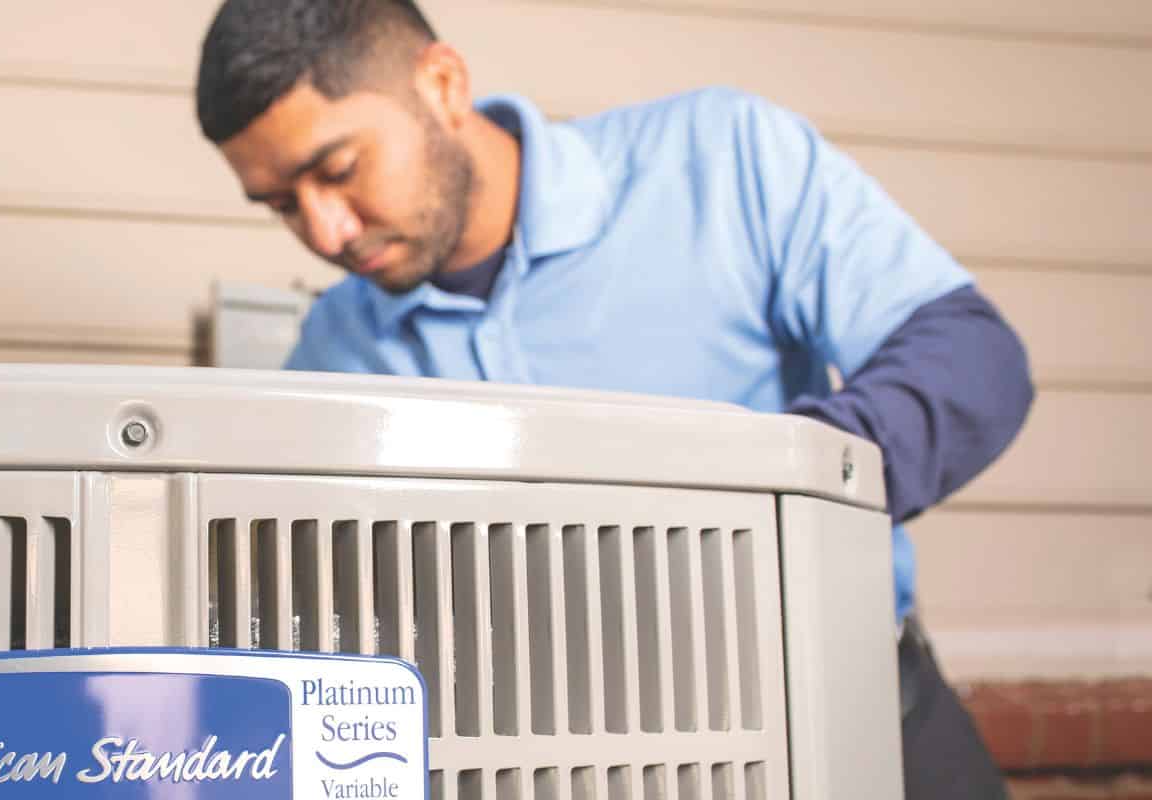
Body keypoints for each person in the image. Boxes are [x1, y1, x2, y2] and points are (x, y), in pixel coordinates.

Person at [192, 1, 1033, 797]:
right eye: (280, 207)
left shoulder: (724, 160)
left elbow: (971, 358)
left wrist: (775, 492)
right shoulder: (331, 353)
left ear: (442, 85)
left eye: (338, 171)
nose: (326, 231)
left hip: (859, 727)